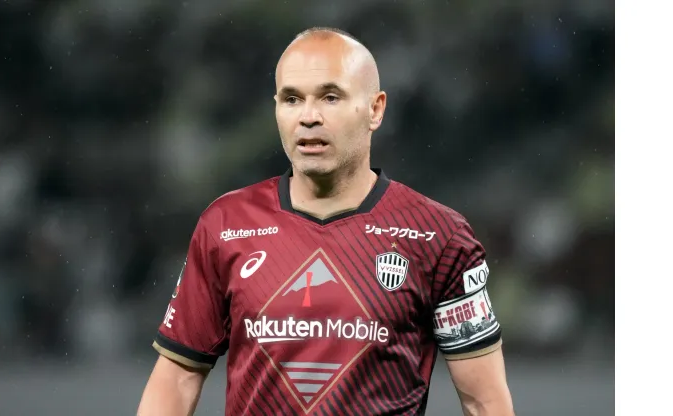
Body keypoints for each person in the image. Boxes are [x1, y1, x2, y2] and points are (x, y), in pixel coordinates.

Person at [137, 27, 514, 416]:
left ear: (375, 109)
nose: (308, 117)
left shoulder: (438, 236)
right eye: (292, 99)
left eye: (330, 97)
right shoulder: (225, 225)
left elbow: (484, 402)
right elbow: (178, 377)